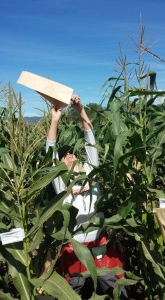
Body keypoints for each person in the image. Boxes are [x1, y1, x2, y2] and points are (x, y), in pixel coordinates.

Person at [46, 95, 128, 299]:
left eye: (73, 154)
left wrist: (80, 110)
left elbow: (89, 138)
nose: (71, 156)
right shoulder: (60, 183)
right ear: (60, 164)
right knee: (73, 291)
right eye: (66, 156)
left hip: (99, 248)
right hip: (75, 253)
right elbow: (50, 152)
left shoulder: (90, 172)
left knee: (115, 288)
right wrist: (54, 121)